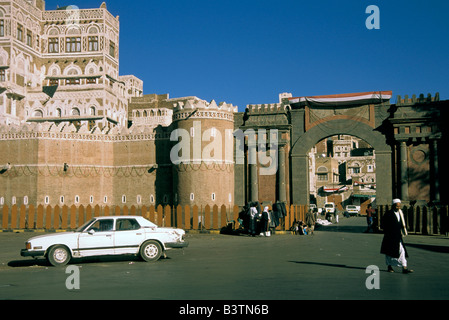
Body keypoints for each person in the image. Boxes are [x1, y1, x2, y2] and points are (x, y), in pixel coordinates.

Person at [380, 199, 413, 274]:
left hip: (398, 236)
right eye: (397, 206)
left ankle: (404, 267)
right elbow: (383, 224)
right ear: (393, 206)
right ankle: (389, 266)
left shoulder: (401, 213)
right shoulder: (388, 213)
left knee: (402, 251)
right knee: (389, 253)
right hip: (390, 236)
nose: (398, 208)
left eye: (399, 206)